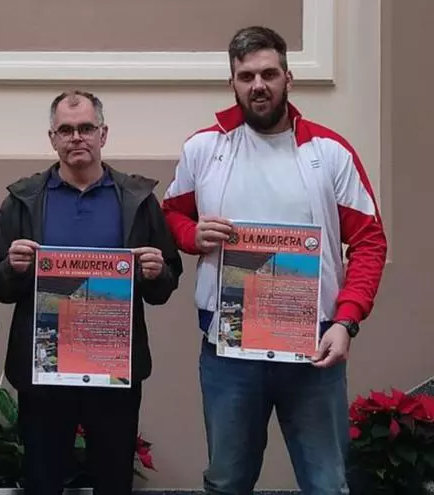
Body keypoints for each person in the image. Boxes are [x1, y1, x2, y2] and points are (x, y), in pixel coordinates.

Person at [162, 26, 387, 494]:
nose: (258, 85)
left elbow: (369, 241)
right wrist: (191, 234)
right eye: (246, 76)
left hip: (315, 349)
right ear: (232, 82)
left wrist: (346, 321)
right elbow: (170, 215)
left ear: (289, 78)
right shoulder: (204, 149)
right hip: (228, 351)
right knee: (227, 481)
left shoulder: (330, 152)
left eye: (268, 73)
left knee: (326, 484)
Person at [0, 90, 183, 494]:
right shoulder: (23, 200)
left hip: (113, 367)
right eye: (66, 130)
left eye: (86, 128)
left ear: (103, 134)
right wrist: (12, 268)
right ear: (52, 138)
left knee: (113, 479)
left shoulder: (137, 199)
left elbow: (165, 282)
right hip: (44, 370)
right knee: (42, 480)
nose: (77, 137)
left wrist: (156, 272)